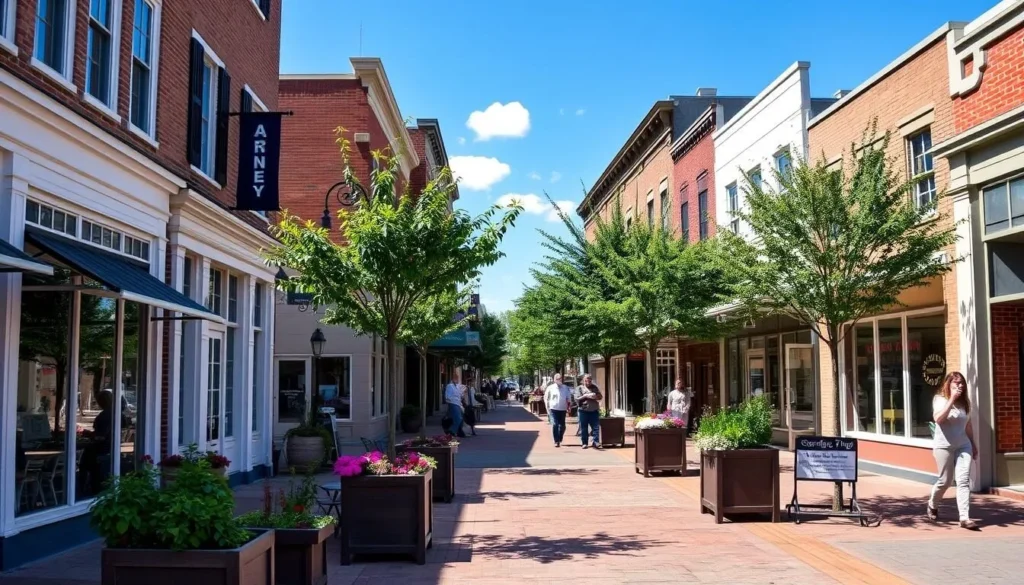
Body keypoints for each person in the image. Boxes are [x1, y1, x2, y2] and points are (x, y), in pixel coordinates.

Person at [927, 371, 979, 530]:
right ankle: (932, 504)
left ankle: (964, 518)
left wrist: (973, 444)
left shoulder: (965, 403)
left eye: (962, 383)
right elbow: (939, 419)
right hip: (943, 445)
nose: (960, 386)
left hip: (963, 445)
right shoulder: (940, 400)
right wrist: (951, 399)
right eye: (956, 383)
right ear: (948, 385)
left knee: (963, 481)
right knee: (945, 481)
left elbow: (968, 425)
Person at [574, 374, 602, 449]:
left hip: (594, 410)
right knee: (584, 428)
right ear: (583, 380)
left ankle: (596, 442)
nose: (588, 382)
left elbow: (600, 397)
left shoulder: (594, 387)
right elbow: (576, 398)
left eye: (589, 380)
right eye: (586, 380)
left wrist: (595, 396)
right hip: (583, 410)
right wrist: (585, 396)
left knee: (595, 427)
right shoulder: (579, 388)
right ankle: (584, 443)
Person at [545, 374, 572, 447]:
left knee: (562, 426)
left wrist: (569, 406)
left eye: (560, 378)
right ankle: (556, 440)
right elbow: (546, 398)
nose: (559, 380)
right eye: (557, 379)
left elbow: (568, 398)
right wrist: (547, 408)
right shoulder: (550, 388)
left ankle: (560, 437)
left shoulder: (565, 388)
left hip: (562, 409)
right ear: (554, 379)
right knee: (555, 424)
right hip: (553, 409)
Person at [444, 372, 467, 438]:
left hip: (458, 404)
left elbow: (460, 394)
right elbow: (447, 396)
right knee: (458, 418)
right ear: (452, 378)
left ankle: (459, 431)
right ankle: (451, 431)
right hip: (453, 403)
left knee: (461, 418)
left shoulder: (457, 386)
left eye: (457, 378)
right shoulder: (450, 386)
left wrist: (463, 393)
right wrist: (450, 401)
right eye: (456, 378)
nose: (457, 379)